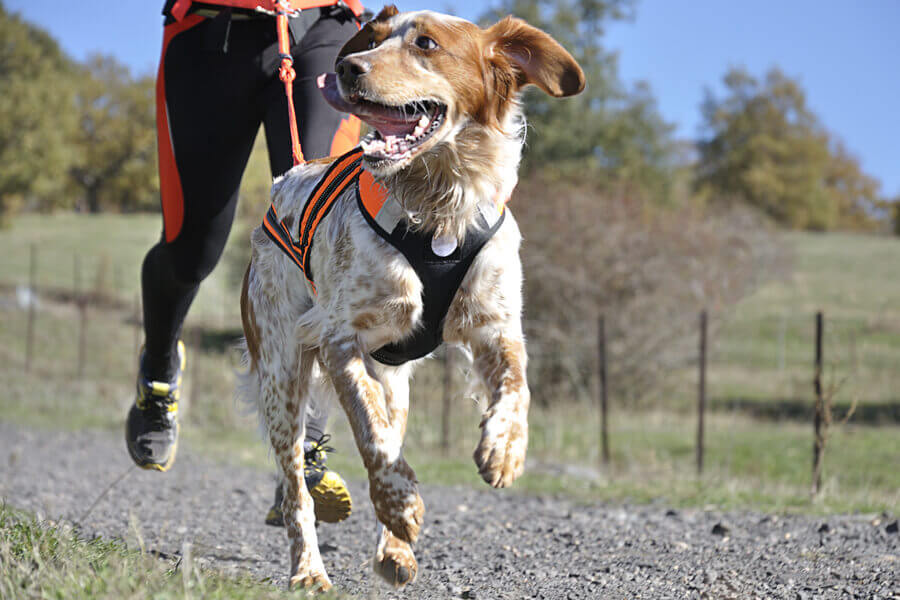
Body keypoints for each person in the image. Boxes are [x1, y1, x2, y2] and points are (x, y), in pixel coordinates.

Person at [126, 0, 364, 526]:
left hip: (322, 28)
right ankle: (159, 371)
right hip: (210, 33)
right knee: (191, 250)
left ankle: (301, 449)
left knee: (317, 231)